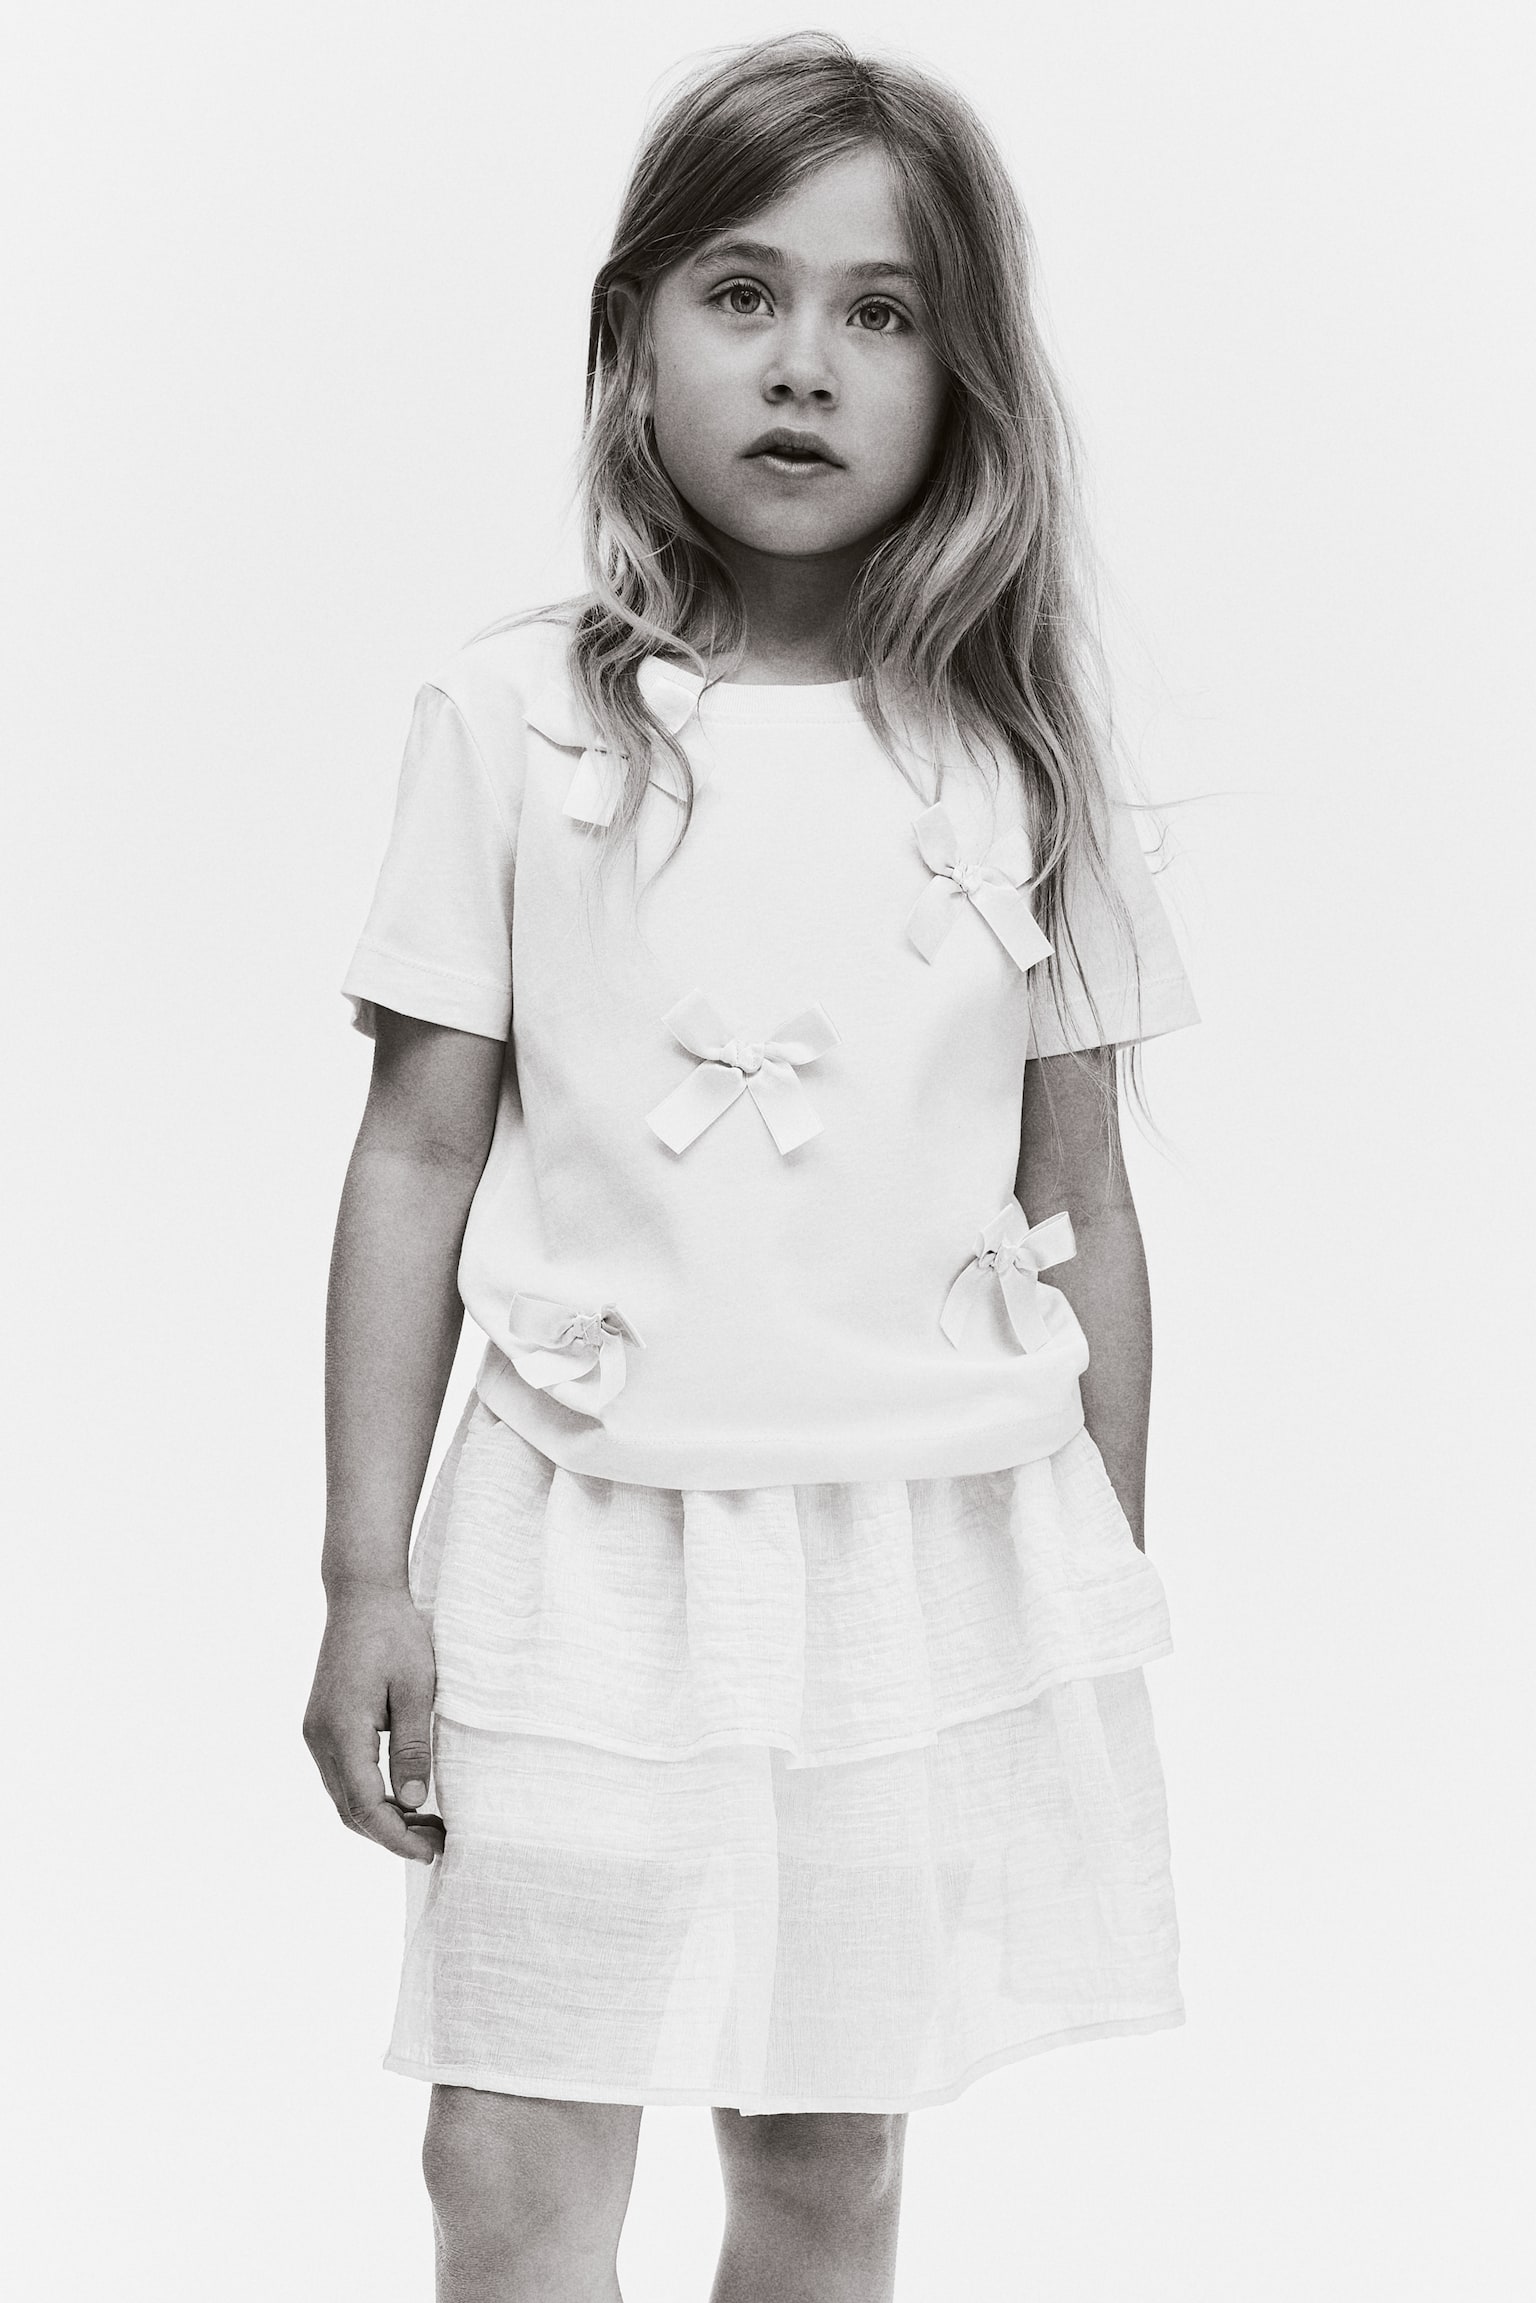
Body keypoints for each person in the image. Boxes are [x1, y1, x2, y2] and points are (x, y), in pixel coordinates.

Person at [304, 29, 1201, 2303]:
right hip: (579, 1541)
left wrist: (1087, 1585)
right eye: (742, 293)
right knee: (509, 2150)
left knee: (823, 2160)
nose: (805, 364)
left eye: (881, 313)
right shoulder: (513, 723)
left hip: (906, 1555)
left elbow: (1086, 1205)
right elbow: (415, 1154)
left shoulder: (1022, 768)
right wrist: (361, 1572)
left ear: (961, 379)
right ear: (633, 336)